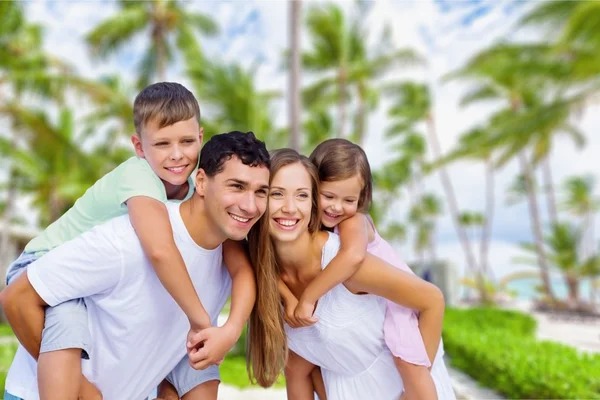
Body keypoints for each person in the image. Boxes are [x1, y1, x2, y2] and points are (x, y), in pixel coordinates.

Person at [2, 82, 242, 399]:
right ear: (139, 147)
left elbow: (236, 259)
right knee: (67, 324)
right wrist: (200, 321)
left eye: (186, 141)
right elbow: (159, 250)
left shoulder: (191, 187)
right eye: (162, 144)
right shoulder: (138, 176)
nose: (177, 155)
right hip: (43, 262)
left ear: (200, 137)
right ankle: (82, 391)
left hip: (88, 281)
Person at [247, 148, 456, 400]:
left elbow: (431, 298)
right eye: (276, 194)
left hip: (401, 370)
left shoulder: (345, 255)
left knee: (410, 362)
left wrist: (420, 372)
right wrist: (291, 299)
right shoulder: (263, 269)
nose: (289, 207)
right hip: (348, 387)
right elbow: (255, 264)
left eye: (301, 195)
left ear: (311, 202)